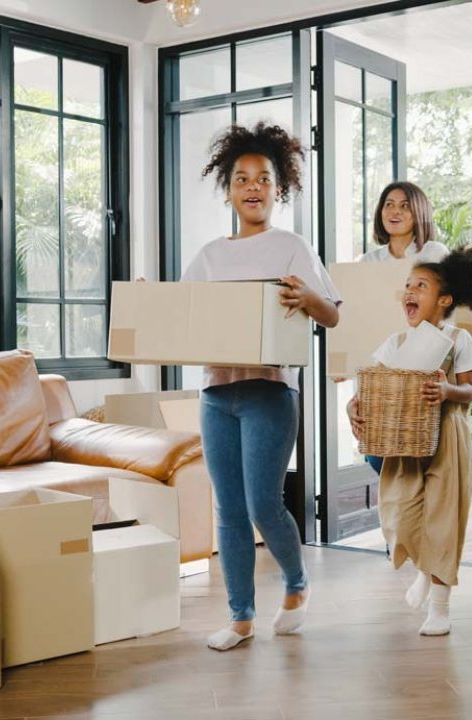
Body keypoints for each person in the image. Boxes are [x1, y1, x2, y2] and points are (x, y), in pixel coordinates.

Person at [182, 122, 341, 651]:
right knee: (227, 508)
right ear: (228, 189)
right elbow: (180, 317)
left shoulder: (292, 246)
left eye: (264, 179)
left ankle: (296, 584)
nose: (253, 187)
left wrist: (307, 300)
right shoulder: (208, 256)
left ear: (280, 188)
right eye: (242, 179)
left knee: (263, 506)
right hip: (215, 394)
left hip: (270, 392)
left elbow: (331, 315)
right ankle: (241, 617)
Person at [347, 247, 472, 636]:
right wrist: (353, 404)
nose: (409, 291)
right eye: (407, 285)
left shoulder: (457, 339)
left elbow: (469, 392)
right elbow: (371, 386)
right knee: (398, 512)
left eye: (421, 286)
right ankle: (425, 570)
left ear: (444, 300)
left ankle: (440, 606)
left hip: (448, 437)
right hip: (404, 441)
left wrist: (447, 390)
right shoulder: (394, 343)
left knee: (444, 519)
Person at [359, 181, 449, 476]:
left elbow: (450, 309)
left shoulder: (434, 252)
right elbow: (358, 317)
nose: (394, 211)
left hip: (425, 364)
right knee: (375, 452)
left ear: (419, 212)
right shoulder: (369, 261)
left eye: (404, 205)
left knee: (418, 451)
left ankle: (413, 518)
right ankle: (398, 518)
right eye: (388, 204)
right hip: (384, 367)